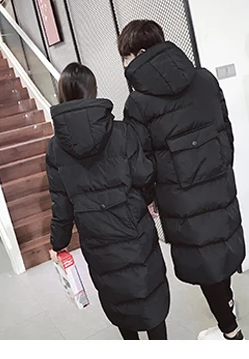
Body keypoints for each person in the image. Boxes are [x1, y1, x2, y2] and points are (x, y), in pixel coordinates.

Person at [118, 19, 245, 340]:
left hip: (180, 198)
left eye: (126, 56)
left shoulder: (138, 103)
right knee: (220, 249)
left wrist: (149, 198)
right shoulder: (204, 79)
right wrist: (221, 167)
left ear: (140, 53)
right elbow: (226, 131)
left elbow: (142, 162)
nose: (125, 64)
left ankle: (231, 332)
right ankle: (229, 308)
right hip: (219, 182)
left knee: (204, 260)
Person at [46, 63, 170, 340]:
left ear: (62, 93)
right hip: (134, 229)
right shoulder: (122, 132)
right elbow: (143, 175)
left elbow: (61, 204)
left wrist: (58, 243)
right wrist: (150, 201)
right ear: (93, 91)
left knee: (118, 297)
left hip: (96, 237)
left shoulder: (55, 148)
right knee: (149, 294)